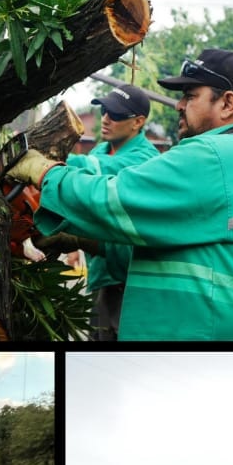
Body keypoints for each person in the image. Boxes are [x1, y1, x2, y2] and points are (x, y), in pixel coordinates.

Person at [5, 50, 233, 341]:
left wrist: (45, 173)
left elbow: (117, 199)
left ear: (228, 104)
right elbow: (178, 238)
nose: (179, 105)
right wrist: (81, 239)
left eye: (190, 96)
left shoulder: (216, 154)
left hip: (224, 328)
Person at [67, 84, 160, 340]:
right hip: (100, 274)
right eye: (105, 110)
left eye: (116, 115)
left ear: (138, 122)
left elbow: (93, 170)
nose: (106, 119)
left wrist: (49, 161)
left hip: (128, 280)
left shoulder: (146, 159)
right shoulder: (100, 149)